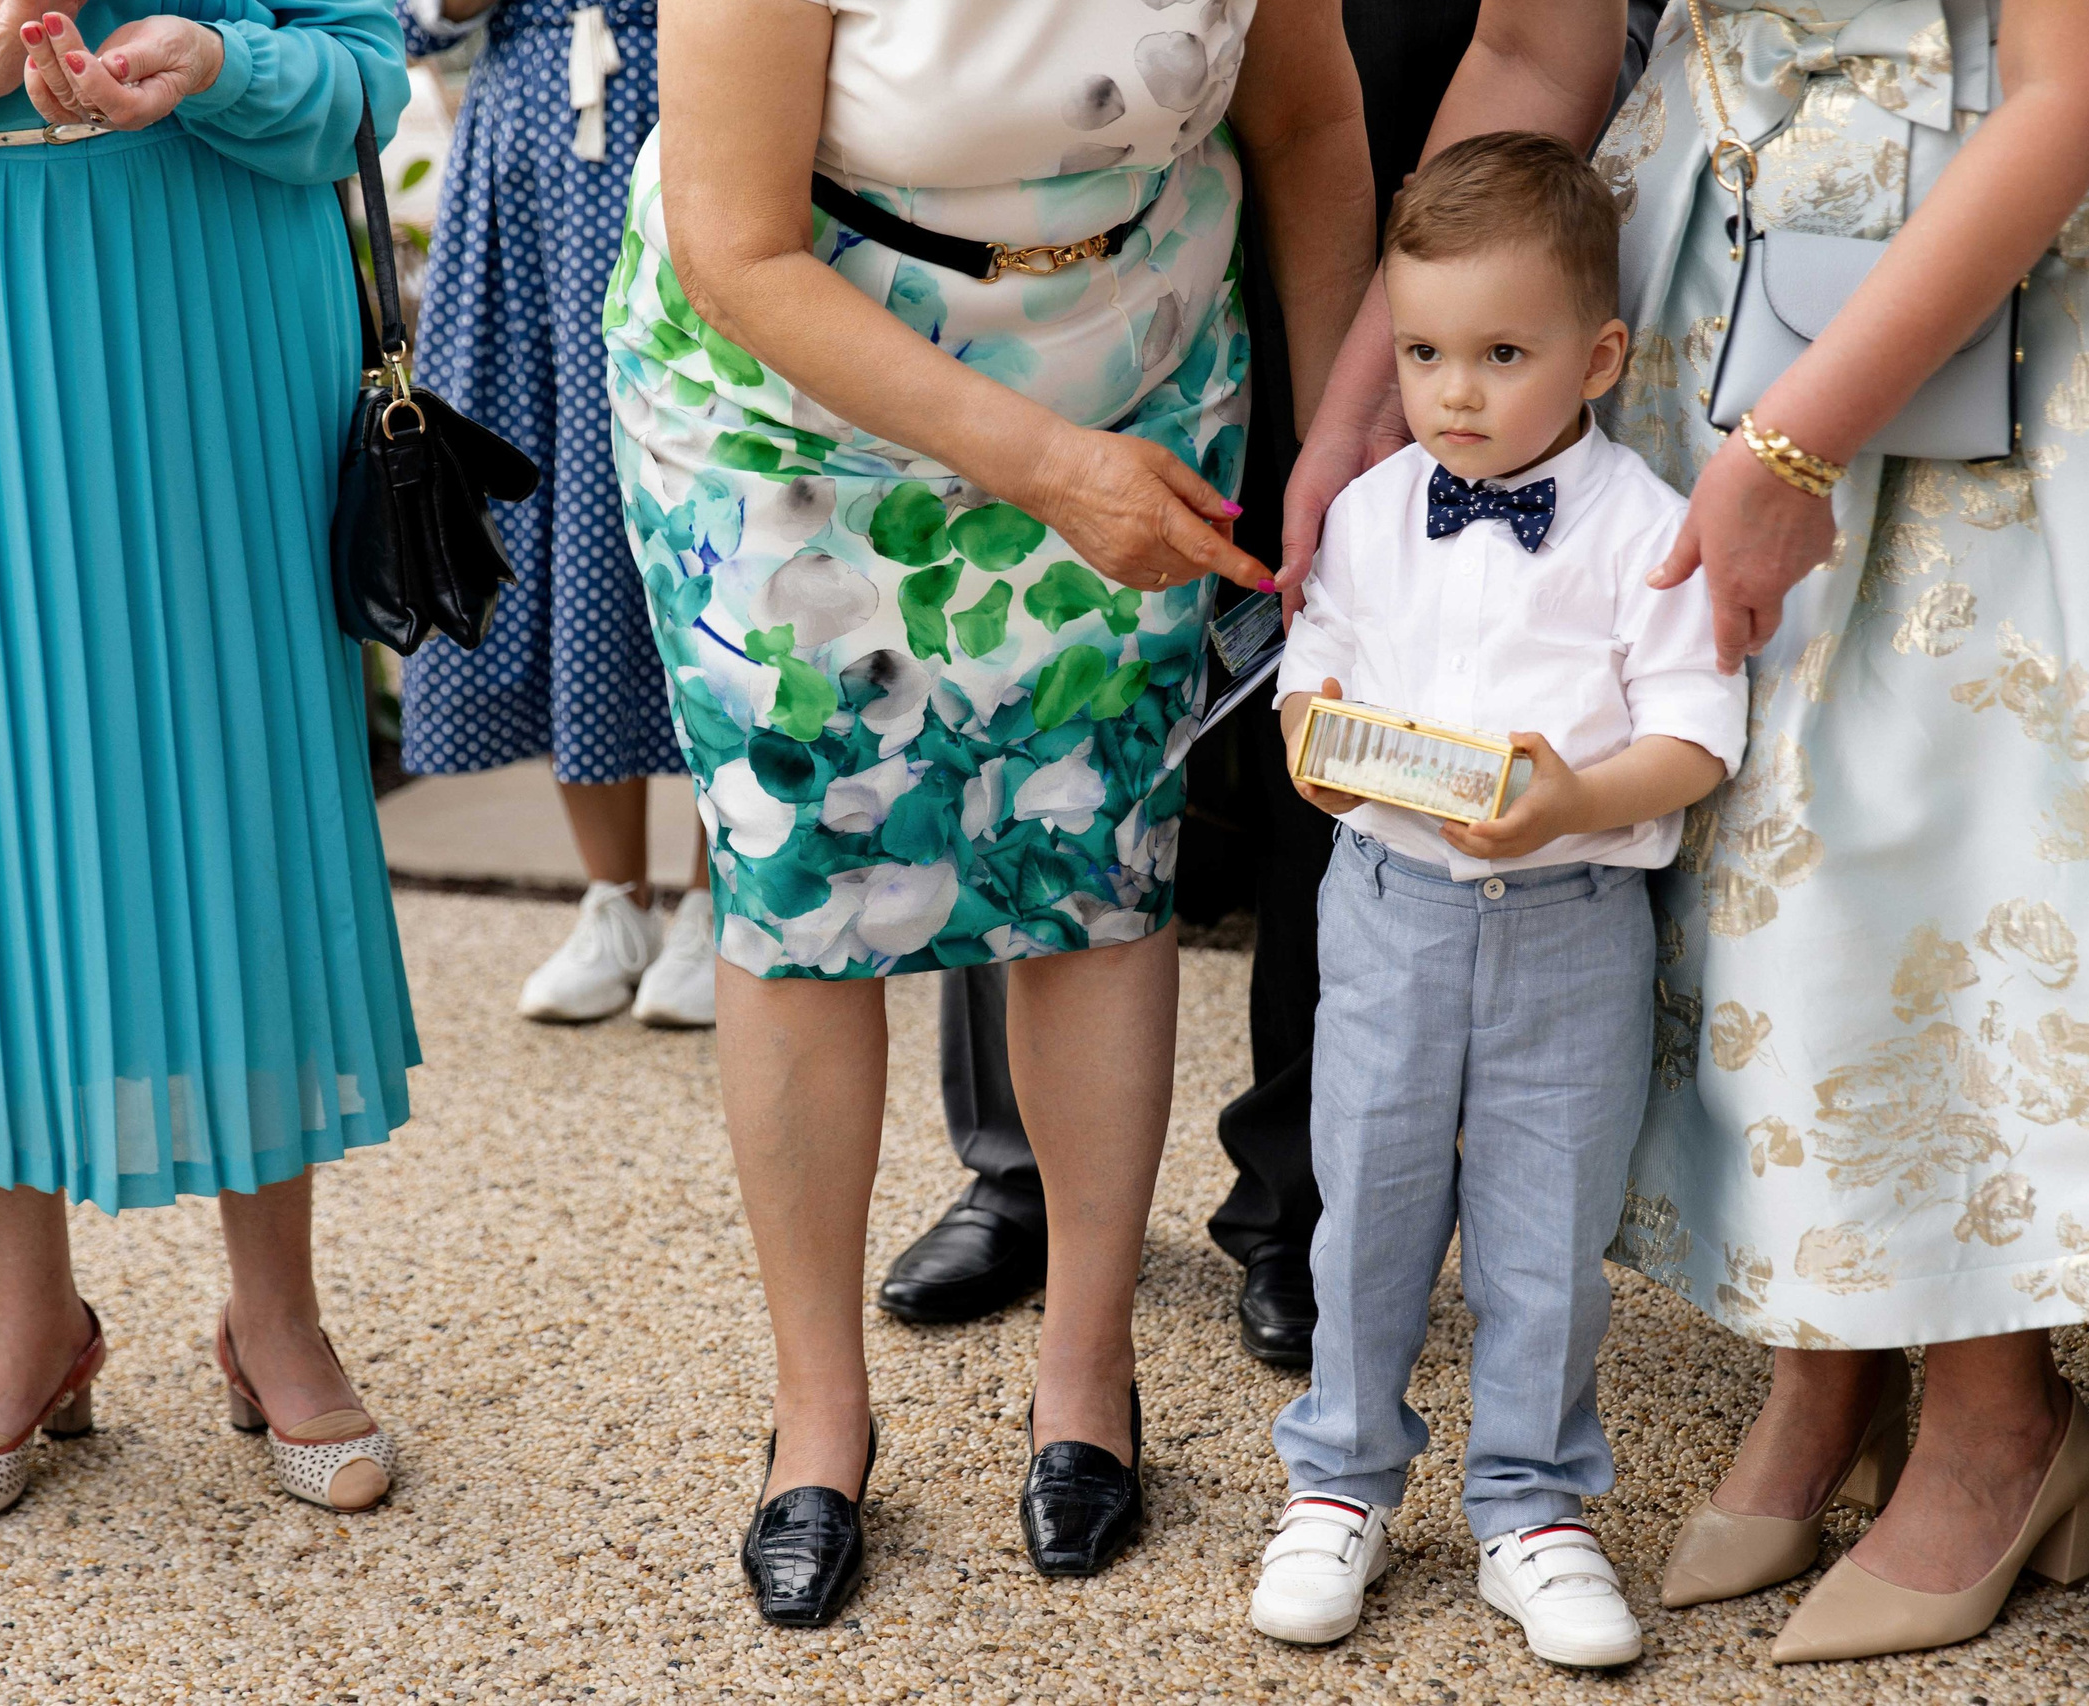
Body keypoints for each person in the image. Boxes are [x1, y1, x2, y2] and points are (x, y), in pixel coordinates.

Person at [1292, 0, 2089, 1666]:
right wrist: (1363, 402)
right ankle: (1829, 1350)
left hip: (2048, 244)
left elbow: (2088, 75)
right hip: (1745, 234)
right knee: (1764, 823)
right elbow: (1531, 47)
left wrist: (1796, 441)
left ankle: (2001, 1419)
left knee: (1976, 829)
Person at [607, 0, 1374, 1626]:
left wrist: (1348, 439)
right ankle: (818, 1414)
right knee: (808, 885)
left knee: (1093, 859)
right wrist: (1039, 463)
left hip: (1140, 367)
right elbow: (736, 246)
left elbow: (1304, 126)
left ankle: (1087, 1374)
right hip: (785, 401)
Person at [877, 0, 1669, 1370]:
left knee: (1370, 679)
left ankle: (1305, 1193)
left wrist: (1369, 379)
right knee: (1045, 666)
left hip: (1435, 96)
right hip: (1110, 161)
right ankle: (1021, 1166)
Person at [0, 0, 418, 1532]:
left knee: (241, 801)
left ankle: (276, 1315)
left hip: (216, 313)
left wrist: (227, 62)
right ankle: (30, 1324)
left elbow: (365, 76)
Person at [1248, 134, 1744, 1668]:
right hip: (1389, 899)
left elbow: (1696, 732)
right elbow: (1315, 659)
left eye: (1501, 354)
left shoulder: (1640, 525)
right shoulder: (1381, 504)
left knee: (1546, 1226)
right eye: (1420, 353)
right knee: (1368, 1199)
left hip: (1572, 922)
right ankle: (1338, 1474)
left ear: (1601, 355)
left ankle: (1533, 1502)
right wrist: (1310, 744)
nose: (1452, 391)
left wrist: (1579, 797)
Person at [398, 0, 718, 1031]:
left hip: (701, 113)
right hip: (522, 169)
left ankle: (724, 898)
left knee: (717, 506)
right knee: (541, 508)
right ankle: (615, 899)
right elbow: (402, 31)